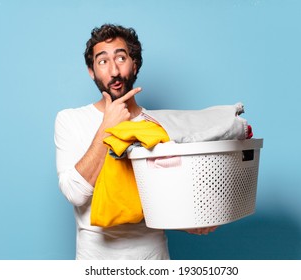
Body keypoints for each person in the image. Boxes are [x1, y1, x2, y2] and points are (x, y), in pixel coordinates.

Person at [54, 24, 216, 260]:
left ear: (135, 64)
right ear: (91, 71)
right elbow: (75, 193)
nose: (114, 71)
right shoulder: (70, 120)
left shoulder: (159, 125)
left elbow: (166, 195)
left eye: (121, 58)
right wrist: (107, 128)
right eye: (102, 61)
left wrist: (188, 221)